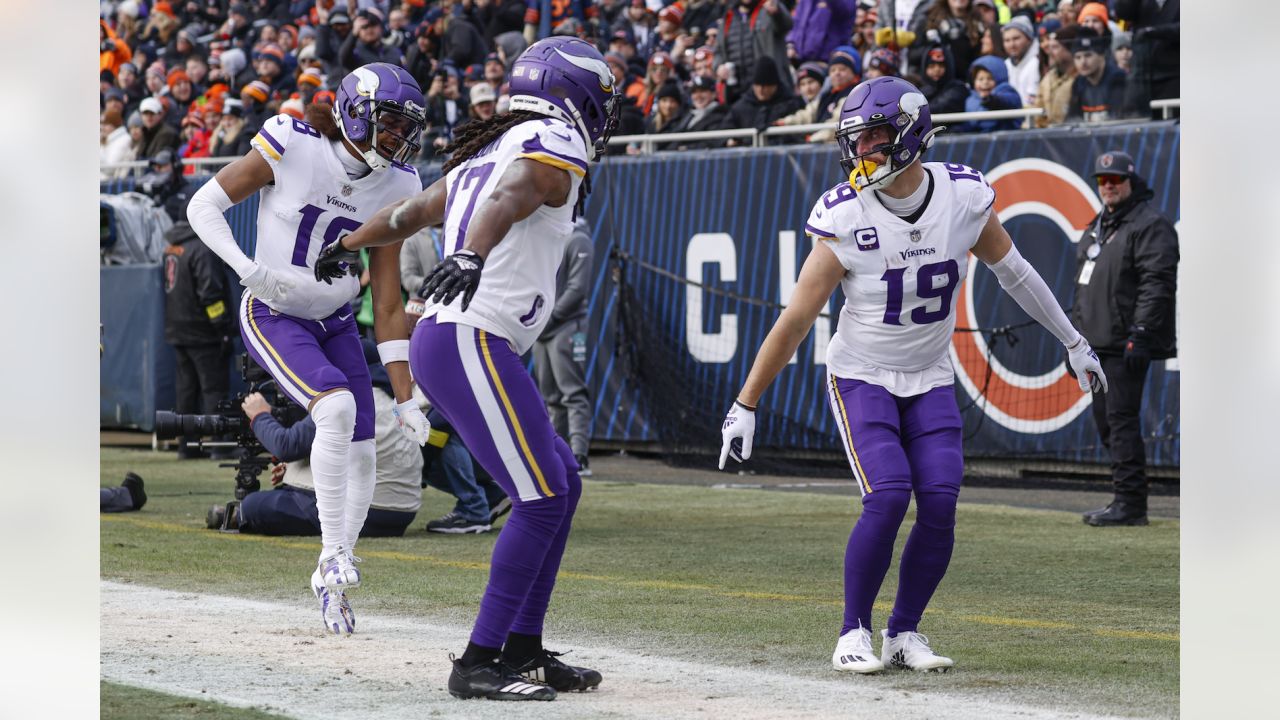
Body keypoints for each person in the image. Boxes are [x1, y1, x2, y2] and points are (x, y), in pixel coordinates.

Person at [718, 76, 1107, 675]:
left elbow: (1019, 274)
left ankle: (904, 632)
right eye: (857, 138)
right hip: (863, 373)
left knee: (942, 502)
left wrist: (1073, 341)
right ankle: (852, 631)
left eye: (874, 136)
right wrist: (746, 402)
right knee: (889, 494)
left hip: (928, 373)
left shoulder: (962, 196)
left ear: (911, 135)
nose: (861, 150)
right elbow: (797, 316)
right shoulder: (846, 214)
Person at [313, 36, 614, 702]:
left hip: (468, 338)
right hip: (469, 335)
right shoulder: (548, 142)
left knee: (559, 483)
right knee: (540, 497)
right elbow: (518, 192)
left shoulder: (493, 144)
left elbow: (413, 212)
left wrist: (350, 241)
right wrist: (474, 254)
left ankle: (524, 648)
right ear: (576, 93)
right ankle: (478, 662)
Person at [184, 62, 431, 636]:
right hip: (273, 309)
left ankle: (334, 567)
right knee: (337, 408)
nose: (398, 139)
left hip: (337, 317)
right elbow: (203, 206)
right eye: (390, 124)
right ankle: (331, 548)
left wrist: (406, 396)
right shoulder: (292, 142)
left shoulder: (400, 184)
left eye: (406, 129)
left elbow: (390, 303)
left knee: (366, 444)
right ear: (354, 112)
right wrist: (250, 271)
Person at [1073, 151, 1177, 527]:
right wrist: (1075, 342)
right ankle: (1125, 496)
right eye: (1102, 180)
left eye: (1115, 179)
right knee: (1106, 423)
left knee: (1120, 421)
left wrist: (1142, 334)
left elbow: (1157, 284)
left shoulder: (1150, 224)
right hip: (1096, 345)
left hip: (1125, 343)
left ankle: (1131, 504)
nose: (1109, 186)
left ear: (1131, 181)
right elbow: (1081, 289)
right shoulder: (1098, 225)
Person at [226, 343, 426, 537]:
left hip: (364, 511)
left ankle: (238, 516)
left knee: (253, 506)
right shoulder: (398, 401)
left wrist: (260, 416)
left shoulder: (345, 398)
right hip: (401, 514)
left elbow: (286, 446)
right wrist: (296, 469)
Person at [163, 196, 234, 459]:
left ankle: (186, 446)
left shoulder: (172, 247)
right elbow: (210, 295)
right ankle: (218, 445)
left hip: (177, 330)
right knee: (213, 388)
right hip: (203, 333)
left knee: (186, 390)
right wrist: (222, 328)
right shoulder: (202, 248)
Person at [533, 218, 595, 476]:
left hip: (567, 327)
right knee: (551, 397)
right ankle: (558, 453)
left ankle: (579, 456)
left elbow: (577, 289)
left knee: (572, 393)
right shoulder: (551, 236)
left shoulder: (579, 238)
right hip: (543, 328)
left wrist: (550, 318)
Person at [1065, 28, 1129, 122]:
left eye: (1088, 55)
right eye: (1078, 57)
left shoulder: (1119, 78)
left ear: (1101, 56)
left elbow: (1119, 120)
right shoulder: (1078, 83)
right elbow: (1072, 120)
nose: (1083, 62)